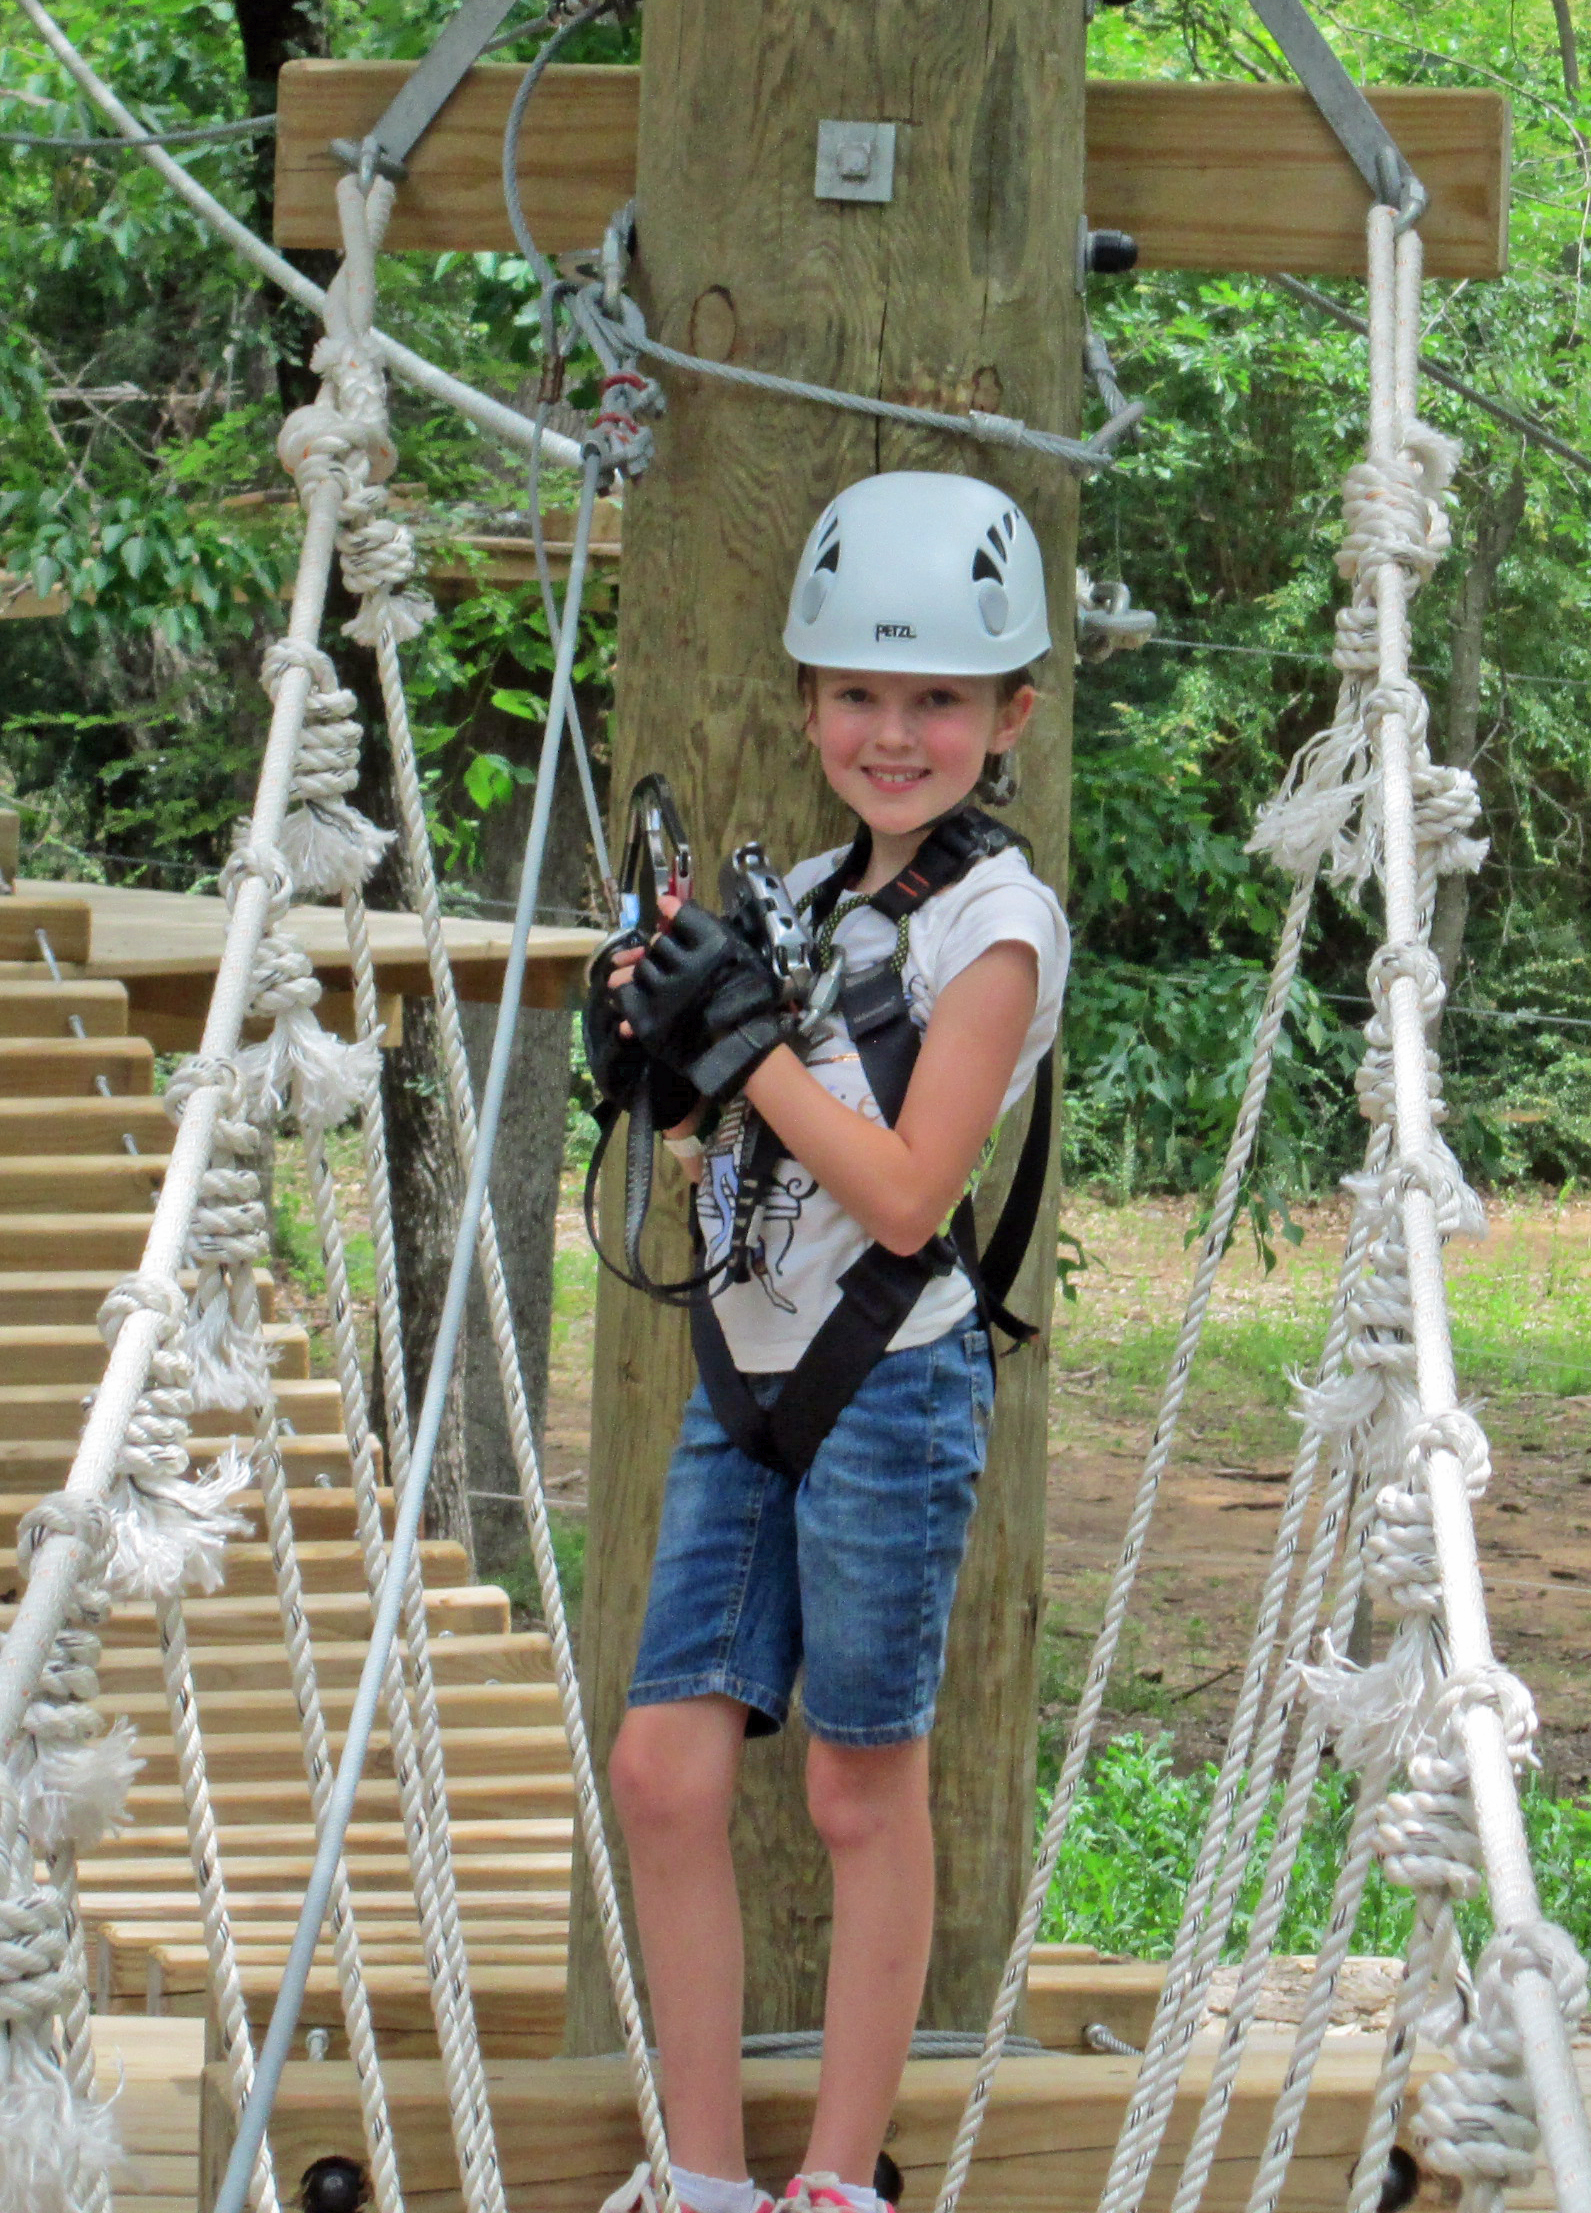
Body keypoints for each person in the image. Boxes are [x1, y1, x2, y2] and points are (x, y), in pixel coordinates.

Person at [593, 473, 1070, 2213]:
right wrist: (664, 1078)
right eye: (859, 693)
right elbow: (732, 1159)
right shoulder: (795, 897)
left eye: (938, 698)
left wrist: (743, 1045)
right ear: (806, 704)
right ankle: (706, 2177)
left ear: (1009, 719)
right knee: (662, 1773)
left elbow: (908, 1191)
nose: (892, 733)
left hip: (888, 1387)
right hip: (748, 1376)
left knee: (864, 1793)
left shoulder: (995, 928)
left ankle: (835, 2182)